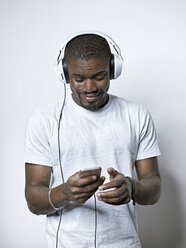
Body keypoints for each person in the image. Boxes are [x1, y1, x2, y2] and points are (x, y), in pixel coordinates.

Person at [24, 32, 161, 248]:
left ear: (113, 70)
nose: (90, 88)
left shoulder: (137, 115)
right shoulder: (44, 120)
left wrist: (132, 188)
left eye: (99, 76)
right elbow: (33, 198)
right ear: (65, 74)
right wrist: (64, 193)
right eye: (79, 79)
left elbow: (154, 188)